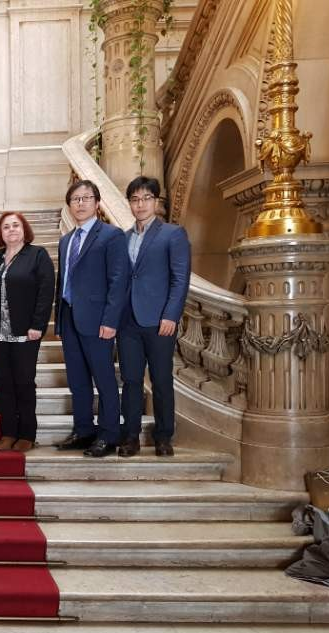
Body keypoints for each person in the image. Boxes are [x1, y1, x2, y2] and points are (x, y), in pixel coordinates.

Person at [54, 179, 129, 457]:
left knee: (104, 379)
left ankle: (109, 435)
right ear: (69, 206)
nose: (80, 203)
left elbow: (118, 281)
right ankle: (83, 430)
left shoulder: (111, 235)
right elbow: (63, 282)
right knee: (77, 380)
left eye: (86, 198)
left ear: (97, 203)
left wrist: (110, 321)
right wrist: (59, 320)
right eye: (75, 199)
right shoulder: (66, 241)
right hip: (70, 318)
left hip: (98, 321)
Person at [118, 176, 191, 457]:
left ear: (156, 202)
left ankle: (163, 437)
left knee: (161, 380)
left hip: (160, 321)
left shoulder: (172, 234)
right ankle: (131, 437)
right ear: (130, 203)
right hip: (128, 322)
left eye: (146, 198)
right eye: (135, 199)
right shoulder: (123, 237)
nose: (140, 204)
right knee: (131, 381)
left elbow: (180, 279)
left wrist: (171, 314)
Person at [0, 212, 55, 452]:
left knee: (24, 382)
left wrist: (38, 325)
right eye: (6, 226)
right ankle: (8, 432)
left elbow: (46, 292)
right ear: (0, 233)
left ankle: (27, 434)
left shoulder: (37, 255)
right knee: (3, 384)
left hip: (25, 333)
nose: (11, 230)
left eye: (15, 225)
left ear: (24, 229)